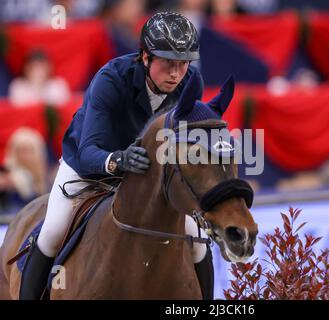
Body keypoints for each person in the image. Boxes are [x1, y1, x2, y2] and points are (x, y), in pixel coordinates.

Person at [20, 12, 214, 300]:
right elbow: (88, 152)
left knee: (199, 239)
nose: (176, 73)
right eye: (168, 63)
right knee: (52, 232)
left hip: (147, 176)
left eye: (183, 64)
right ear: (145, 57)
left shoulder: (189, 82)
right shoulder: (111, 79)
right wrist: (118, 161)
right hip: (90, 168)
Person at [0, 128, 48, 205]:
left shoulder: (47, 176)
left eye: (30, 150)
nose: (26, 156)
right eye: (22, 151)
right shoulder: (6, 178)